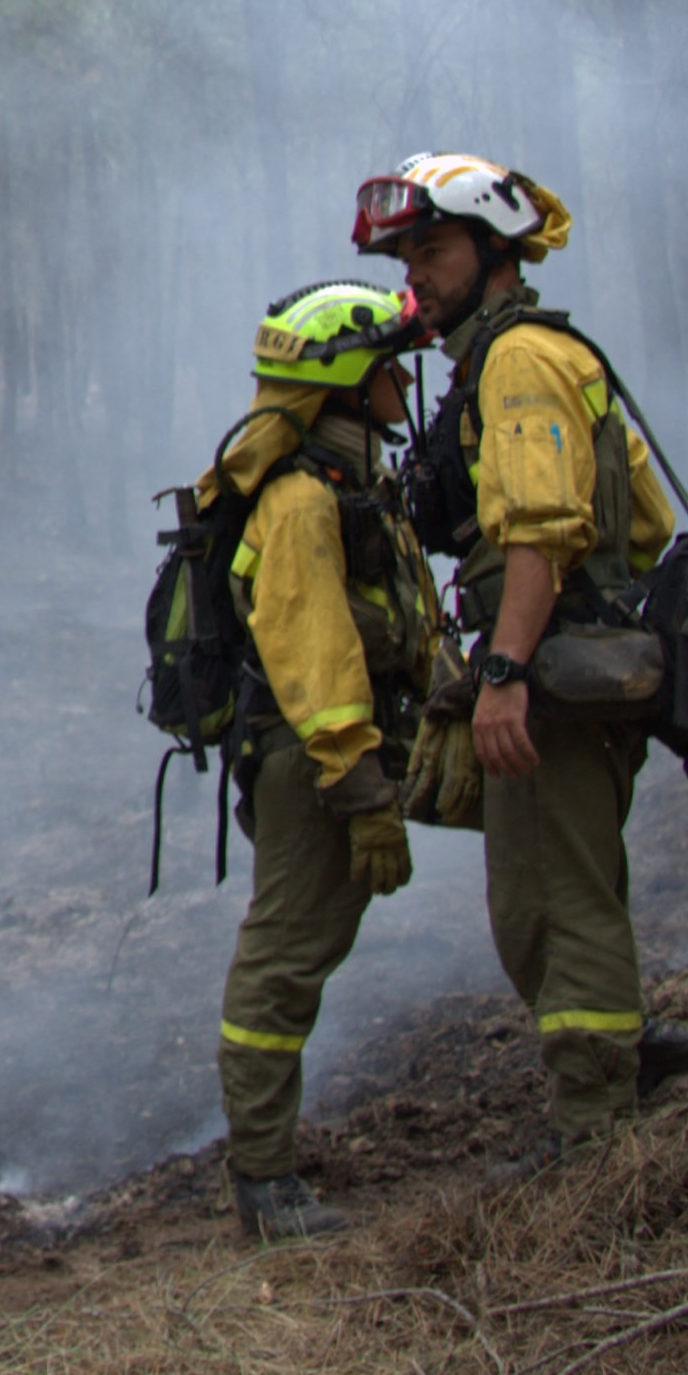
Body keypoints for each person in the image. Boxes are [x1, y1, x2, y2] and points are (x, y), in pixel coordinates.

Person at [353, 153, 688, 1167]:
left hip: (553, 667)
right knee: (558, 890)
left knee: (547, 902)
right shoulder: (515, 358)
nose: (415, 275)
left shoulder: (519, 363)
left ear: (492, 250)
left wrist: (504, 672)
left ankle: (594, 1128)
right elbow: (629, 518)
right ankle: (616, 1056)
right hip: (564, 658)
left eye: (430, 251)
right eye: (406, 257)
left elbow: (538, 532)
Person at [191, 282, 443, 1240]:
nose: (403, 380)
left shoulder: (352, 483)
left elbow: (401, 617)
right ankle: (263, 1181)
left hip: (370, 738)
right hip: (316, 759)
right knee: (289, 954)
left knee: (533, 799)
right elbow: (316, 659)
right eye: (388, 366)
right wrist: (361, 786)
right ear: (345, 384)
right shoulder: (300, 502)